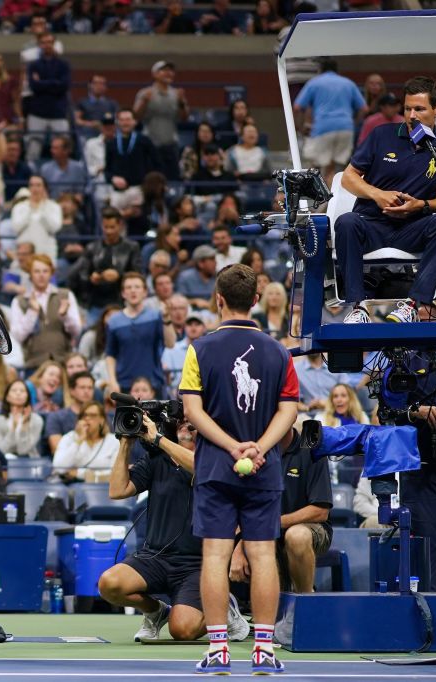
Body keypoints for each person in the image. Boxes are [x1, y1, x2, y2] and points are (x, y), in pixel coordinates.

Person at [179, 263, 299, 674]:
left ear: (218, 300)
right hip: (264, 469)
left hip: (215, 466)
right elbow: (289, 410)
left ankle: (218, 650)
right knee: (264, 554)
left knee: (215, 554)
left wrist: (231, 446)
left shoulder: (199, 348)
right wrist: (259, 447)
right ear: (255, 301)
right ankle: (264, 649)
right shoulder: (278, 351)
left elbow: (191, 411)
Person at [100, 414, 250, 643]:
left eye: (190, 421)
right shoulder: (157, 459)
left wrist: (159, 439)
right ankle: (156, 611)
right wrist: (125, 444)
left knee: (182, 631)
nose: (184, 426)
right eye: (179, 420)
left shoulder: (220, 457)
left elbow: (202, 470)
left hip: (198, 563)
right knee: (109, 584)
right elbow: (117, 491)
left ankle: (223, 606)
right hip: (155, 557)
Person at [336, 76, 436, 326]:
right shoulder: (381, 135)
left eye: (419, 109)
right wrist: (378, 194)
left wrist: (421, 205)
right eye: (407, 108)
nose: (412, 116)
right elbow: (348, 178)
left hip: (414, 228)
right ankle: (356, 307)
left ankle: (414, 305)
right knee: (346, 222)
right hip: (372, 224)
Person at [230, 427, 332, 595]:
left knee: (296, 536)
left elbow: (321, 511)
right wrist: (239, 548)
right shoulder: (254, 453)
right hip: (267, 533)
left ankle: (306, 600)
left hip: (310, 528)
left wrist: (273, 523)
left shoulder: (311, 445)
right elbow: (246, 510)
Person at [293, 58, 367, 187]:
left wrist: (299, 128)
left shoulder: (314, 82)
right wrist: (353, 124)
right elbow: (364, 108)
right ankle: (333, 200)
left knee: (321, 167)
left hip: (323, 128)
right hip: (346, 128)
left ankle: (324, 203)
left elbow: (298, 107)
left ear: (320, 70)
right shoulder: (348, 83)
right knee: (336, 168)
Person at [9, 253, 81, 370]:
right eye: (37, 271)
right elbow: (18, 336)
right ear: (30, 274)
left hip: (63, 362)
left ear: (51, 273)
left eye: (45, 271)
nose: (41, 275)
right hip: (33, 363)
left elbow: (76, 331)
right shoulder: (19, 301)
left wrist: (65, 315)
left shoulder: (65, 296)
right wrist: (32, 313)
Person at [76, 207, 142, 315]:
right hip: (95, 302)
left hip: (122, 302)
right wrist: (92, 278)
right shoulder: (91, 248)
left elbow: (137, 274)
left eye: (112, 227)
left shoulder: (132, 247)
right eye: (105, 227)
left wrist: (120, 276)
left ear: (120, 226)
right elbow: (82, 274)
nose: (108, 231)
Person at [134, 61, 188, 181]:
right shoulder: (145, 93)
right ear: (155, 74)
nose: (168, 73)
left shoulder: (177, 94)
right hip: (150, 145)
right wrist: (144, 101)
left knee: (173, 179)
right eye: (164, 70)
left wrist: (182, 103)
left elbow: (184, 118)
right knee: (150, 179)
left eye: (170, 71)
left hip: (170, 145)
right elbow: (136, 117)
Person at [25, 32, 72, 165]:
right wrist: (53, 83)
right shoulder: (33, 65)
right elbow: (34, 86)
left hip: (58, 112)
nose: (47, 45)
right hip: (37, 112)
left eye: (50, 42)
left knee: (64, 145)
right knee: (33, 146)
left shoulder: (64, 65)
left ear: (54, 44)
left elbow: (64, 86)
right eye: (44, 42)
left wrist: (43, 83)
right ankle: (32, 173)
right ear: (39, 45)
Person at [52, 401, 119, 481]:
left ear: (102, 420)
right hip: (73, 488)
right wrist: (79, 441)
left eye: (93, 415)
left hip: (103, 488)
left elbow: (116, 473)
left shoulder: (113, 441)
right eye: (84, 415)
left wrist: (80, 474)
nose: (87, 418)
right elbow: (58, 467)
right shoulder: (69, 438)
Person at [11, 176, 62, 260]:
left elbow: (54, 228)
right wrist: (29, 209)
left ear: (44, 188)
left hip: (46, 252)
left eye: (38, 185)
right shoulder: (19, 207)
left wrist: (43, 208)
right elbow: (16, 227)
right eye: (32, 185)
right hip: (25, 253)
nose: (35, 189)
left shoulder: (54, 206)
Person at [44, 371, 95, 455]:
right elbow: (57, 450)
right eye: (82, 387)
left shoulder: (101, 418)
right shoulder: (56, 417)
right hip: (66, 466)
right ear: (72, 391)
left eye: (90, 388)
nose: (86, 391)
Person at [0, 379, 44, 458]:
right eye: (14, 390)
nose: (18, 393)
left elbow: (23, 451)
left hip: (30, 461)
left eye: (22, 391)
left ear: (27, 396)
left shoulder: (37, 420)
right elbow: (0, 451)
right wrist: (13, 428)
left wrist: (24, 425)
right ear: (7, 397)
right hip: (5, 463)